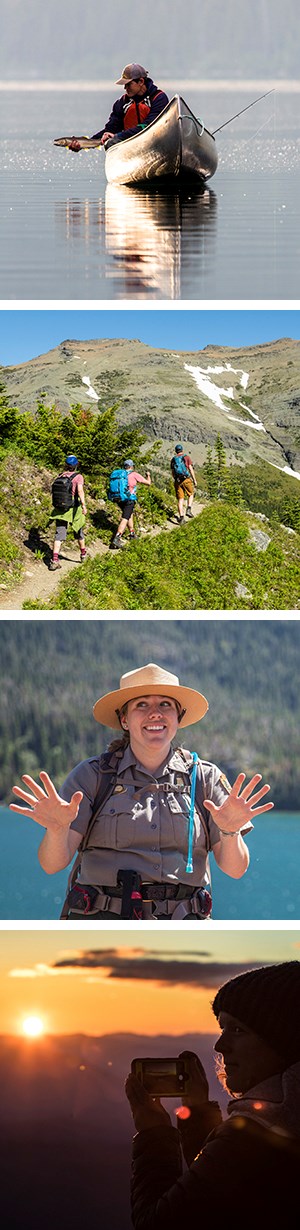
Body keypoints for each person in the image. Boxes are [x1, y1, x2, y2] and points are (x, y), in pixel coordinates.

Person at [10, 662, 273, 921]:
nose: (155, 713)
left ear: (178, 717)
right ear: (124, 719)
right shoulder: (92, 776)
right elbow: (51, 864)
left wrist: (229, 831)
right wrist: (57, 830)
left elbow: (235, 869)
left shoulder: (204, 778)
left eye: (165, 704)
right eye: (142, 705)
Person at [125, 961, 300, 1227]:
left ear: (285, 1039)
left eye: (238, 1030)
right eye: (222, 1028)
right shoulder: (283, 1123)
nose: (220, 1045)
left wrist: (155, 1133)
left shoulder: (257, 1134)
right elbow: (223, 1198)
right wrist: (197, 1116)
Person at [69, 65, 169, 152]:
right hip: (131, 147)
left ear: (141, 81)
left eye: (128, 84)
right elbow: (111, 129)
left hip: (156, 143)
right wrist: (83, 144)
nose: (125, 88)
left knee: (114, 139)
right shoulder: (122, 103)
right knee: (111, 141)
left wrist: (119, 136)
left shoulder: (159, 98)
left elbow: (149, 125)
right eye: (124, 84)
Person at [49, 454, 87, 570]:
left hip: (60, 509)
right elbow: (80, 491)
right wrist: (84, 505)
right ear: (76, 465)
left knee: (59, 534)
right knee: (79, 531)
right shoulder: (78, 477)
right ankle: (83, 555)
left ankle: (54, 560)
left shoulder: (60, 475)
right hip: (74, 508)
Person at [111, 459, 151, 549]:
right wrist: (148, 476)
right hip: (129, 499)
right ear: (131, 466)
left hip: (119, 498)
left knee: (129, 515)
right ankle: (117, 538)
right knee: (125, 518)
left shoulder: (120, 474)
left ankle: (132, 533)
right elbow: (148, 483)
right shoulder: (134, 474)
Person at [171, 444, 196, 524]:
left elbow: (172, 472)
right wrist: (194, 480)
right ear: (182, 450)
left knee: (180, 499)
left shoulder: (173, 459)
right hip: (186, 479)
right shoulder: (186, 457)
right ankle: (188, 509)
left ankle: (181, 518)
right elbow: (190, 469)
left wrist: (176, 479)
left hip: (178, 481)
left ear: (176, 451)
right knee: (191, 494)